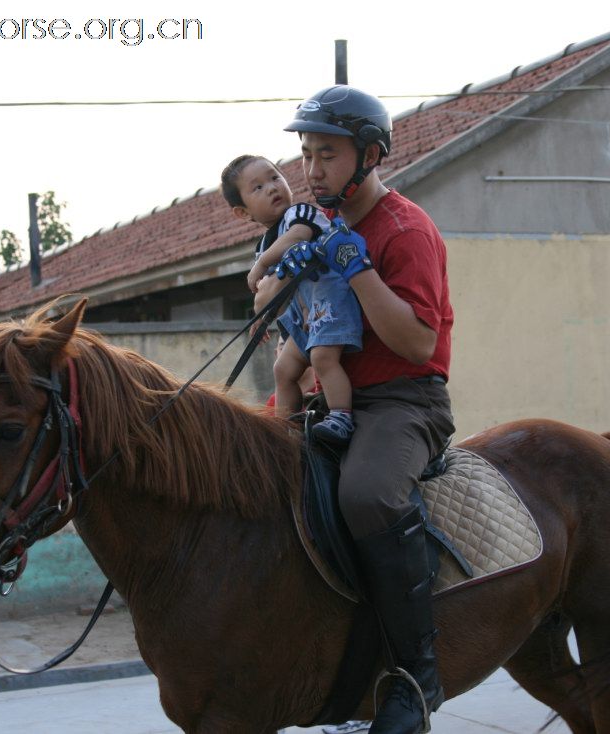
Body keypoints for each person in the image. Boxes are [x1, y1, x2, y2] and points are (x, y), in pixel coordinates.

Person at [279, 86, 454, 734]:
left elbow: (418, 342)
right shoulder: (324, 223)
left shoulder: (406, 230)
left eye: (327, 154)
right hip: (337, 394)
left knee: (369, 495)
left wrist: (357, 269)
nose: (311, 168)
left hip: (404, 401)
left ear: (370, 155)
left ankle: (415, 678)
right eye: (306, 154)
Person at [220, 154, 361, 443]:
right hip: (304, 315)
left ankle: (341, 415)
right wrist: (261, 320)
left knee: (323, 358)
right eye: (257, 187)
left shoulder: (300, 214)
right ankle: (283, 430)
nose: (272, 187)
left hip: (329, 302)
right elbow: (272, 295)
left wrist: (260, 266)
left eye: (274, 177)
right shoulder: (263, 246)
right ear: (243, 213)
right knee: (282, 368)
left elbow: (296, 239)